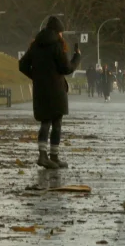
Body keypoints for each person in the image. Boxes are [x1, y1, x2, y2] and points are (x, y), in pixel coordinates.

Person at [19, 16, 81, 169]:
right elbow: (66, 68)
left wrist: (37, 77)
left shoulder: (35, 45)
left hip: (41, 90)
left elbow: (22, 65)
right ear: (58, 32)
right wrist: (77, 57)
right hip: (56, 90)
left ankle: (43, 155)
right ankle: (54, 156)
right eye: (61, 32)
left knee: (45, 122)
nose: (62, 35)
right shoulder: (56, 46)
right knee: (56, 123)